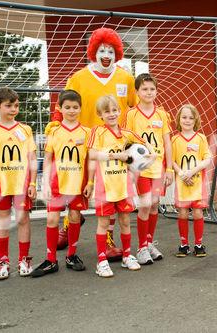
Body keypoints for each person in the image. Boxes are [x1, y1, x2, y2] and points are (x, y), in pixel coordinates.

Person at [47, 27, 138, 259]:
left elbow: (135, 108)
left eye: (110, 50)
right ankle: (68, 226)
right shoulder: (78, 77)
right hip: (80, 144)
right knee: (74, 189)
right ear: (93, 51)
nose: (106, 54)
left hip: (110, 149)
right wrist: (56, 126)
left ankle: (107, 239)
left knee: (108, 195)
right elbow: (63, 104)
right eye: (101, 49)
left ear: (116, 53)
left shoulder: (126, 78)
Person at [88, 95, 153, 277]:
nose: (112, 114)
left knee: (125, 221)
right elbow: (92, 154)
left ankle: (127, 255)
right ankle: (101, 261)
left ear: (119, 111)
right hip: (105, 188)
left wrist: (152, 156)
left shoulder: (127, 134)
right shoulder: (97, 132)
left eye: (115, 110)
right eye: (107, 111)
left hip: (124, 187)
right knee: (103, 223)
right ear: (100, 114)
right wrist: (118, 156)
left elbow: (145, 144)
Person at [31, 90, 91, 277]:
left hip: (78, 183)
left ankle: (71, 255)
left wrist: (90, 182)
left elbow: (92, 160)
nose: (71, 111)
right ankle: (51, 260)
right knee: (52, 219)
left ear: (81, 108)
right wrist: (45, 184)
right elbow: (48, 159)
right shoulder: (54, 131)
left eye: (75, 107)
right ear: (60, 108)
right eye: (67, 107)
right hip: (56, 182)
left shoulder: (87, 133)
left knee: (74, 217)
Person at [0, 87, 37, 280]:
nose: (13, 109)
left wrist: (33, 183)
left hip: (22, 183)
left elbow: (31, 158)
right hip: (0, 184)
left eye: (16, 105)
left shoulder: (25, 129)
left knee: (23, 220)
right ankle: (3, 261)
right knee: (3, 220)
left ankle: (24, 259)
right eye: (8, 105)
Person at [120, 73, 174, 265]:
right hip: (141, 168)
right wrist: (129, 168)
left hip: (159, 168)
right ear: (137, 92)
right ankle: (141, 247)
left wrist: (170, 169)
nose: (149, 92)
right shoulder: (131, 114)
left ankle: (149, 242)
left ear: (156, 91)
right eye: (144, 89)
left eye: (152, 89)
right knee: (144, 205)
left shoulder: (162, 114)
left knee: (154, 204)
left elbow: (167, 143)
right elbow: (125, 141)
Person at [171, 104, 212, 257]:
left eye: (191, 117)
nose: (187, 120)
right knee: (182, 213)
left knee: (197, 213)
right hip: (182, 184)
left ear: (196, 120)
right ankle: (184, 245)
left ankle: (198, 244)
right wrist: (182, 174)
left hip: (196, 183)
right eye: (184, 117)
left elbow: (207, 159)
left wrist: (191, 172)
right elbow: (172, 161)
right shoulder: (174, 139)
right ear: (179, 119)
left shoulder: (201, 138)